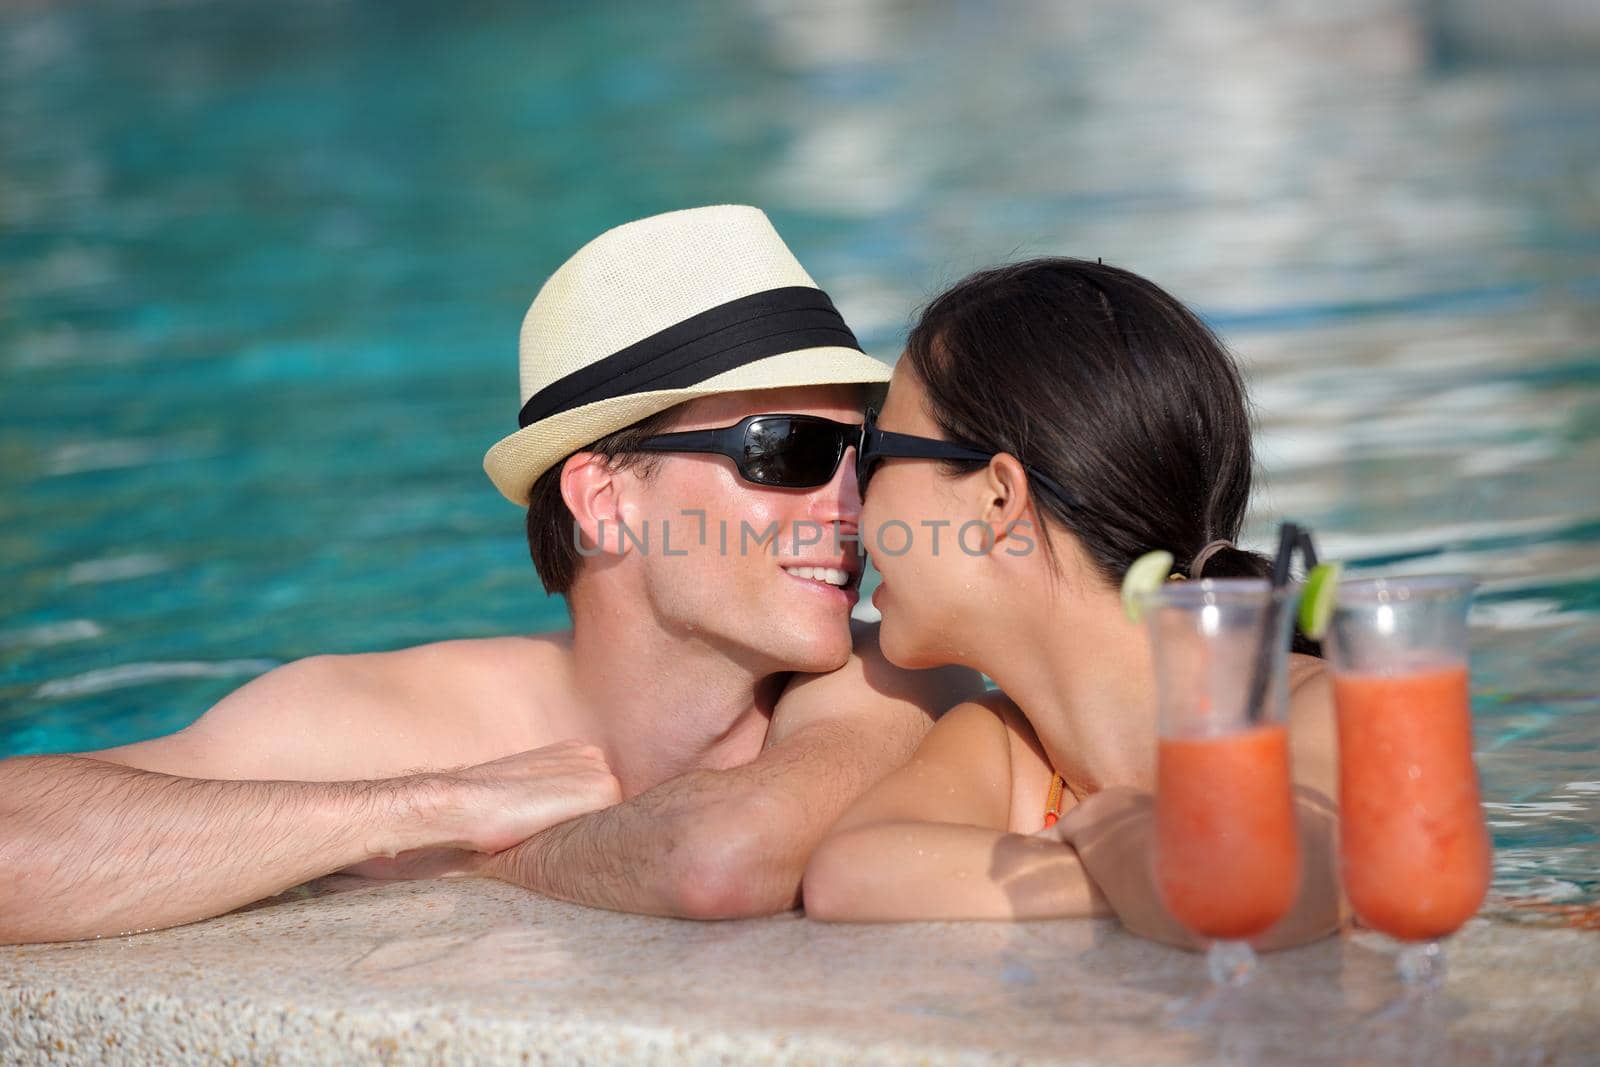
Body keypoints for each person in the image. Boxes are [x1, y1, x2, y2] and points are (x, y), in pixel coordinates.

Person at [0, 206, 980, 945]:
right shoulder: (391, 719)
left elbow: (715, 858)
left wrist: (472, 860)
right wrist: (422, 807)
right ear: (605, 498)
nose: (851, 507)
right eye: (788, 450)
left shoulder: (887, 673)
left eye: (869, 453)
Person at [803, 258, 1344, 948]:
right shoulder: (1006, 744)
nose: (849, 503)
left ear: (998, 498)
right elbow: (848, 873)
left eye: (873, 452)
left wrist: (1106, 822)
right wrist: (1133, 870)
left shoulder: (1310, 705)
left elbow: (1267, 890)